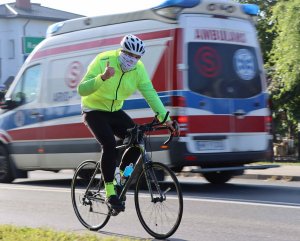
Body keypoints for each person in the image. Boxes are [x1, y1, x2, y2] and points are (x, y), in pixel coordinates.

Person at [77, 34, 176, 211]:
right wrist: (103, 77)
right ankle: (110, 192)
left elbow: (150, 93)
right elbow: (82, 89)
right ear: (121, 50)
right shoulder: (104, 59)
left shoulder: (138, 70)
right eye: (128, 54)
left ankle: (122, 178)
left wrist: (165, 119)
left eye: (136, 56)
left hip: (114, 111)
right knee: (108, 144)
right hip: (93, 110)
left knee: (138, 141)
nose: (131, 59)